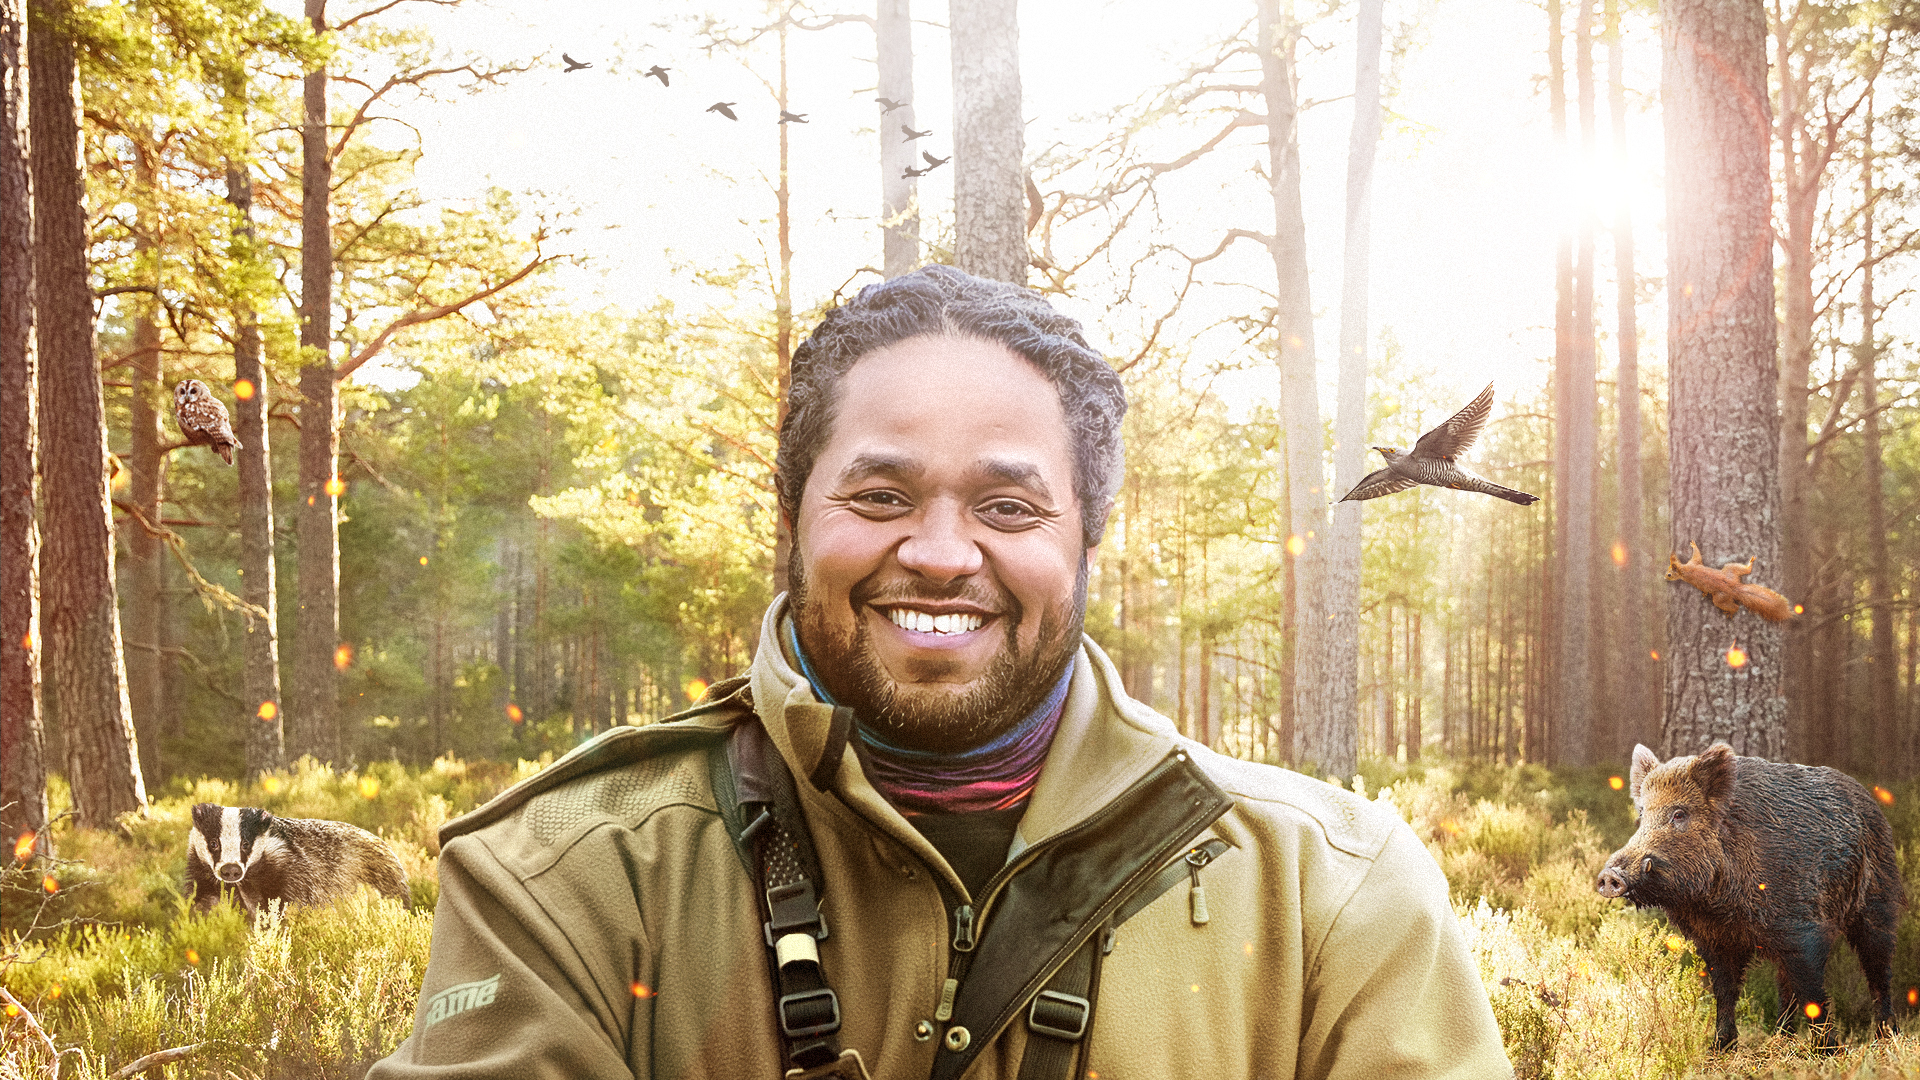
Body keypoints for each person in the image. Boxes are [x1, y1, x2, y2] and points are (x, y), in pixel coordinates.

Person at [368, 265, 1513, 1080]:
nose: (942, 553)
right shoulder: (568, 877)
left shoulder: (1332, 892)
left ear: (1086, 542)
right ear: (794, 515)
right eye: (880, 495)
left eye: (1009, 507)